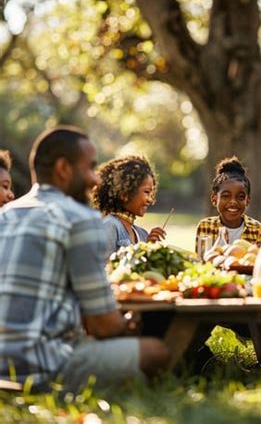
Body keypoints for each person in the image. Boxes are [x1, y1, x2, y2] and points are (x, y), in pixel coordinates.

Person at [0, 126, 170, 393]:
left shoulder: (6, 213)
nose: (96, 180)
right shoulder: (80, 218)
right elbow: (103, 325)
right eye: (90, 168)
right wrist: (127, 324)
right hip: (42, 364)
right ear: (63, 169)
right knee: (158, 351)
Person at [92, 155, 166, 259]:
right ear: (125, 194)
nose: (150, 199)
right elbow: (103, 268)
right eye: (146, 192)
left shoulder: (143, 234)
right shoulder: (110, 226)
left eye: (151, 194)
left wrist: (150, 248)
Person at [195, 156, 261, 249]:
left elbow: (259, 261)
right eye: (225, 196)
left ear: (247, 200)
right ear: (214, 199)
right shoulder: (205, 226)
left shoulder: (258, 229)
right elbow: (201, 260)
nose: (233, 202)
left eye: (240, 197)